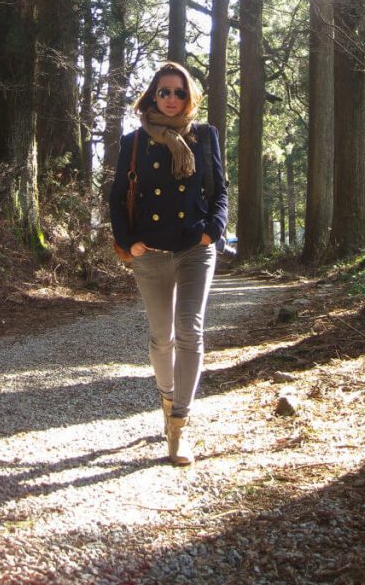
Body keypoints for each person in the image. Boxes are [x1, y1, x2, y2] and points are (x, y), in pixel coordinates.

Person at [109, 61, 228, 466]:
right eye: (164, 92)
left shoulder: (205, 135)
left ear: (189, 95)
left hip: (195, 248)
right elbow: (116, 195)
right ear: (152, 96)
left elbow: (219, 191)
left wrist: (213, 229)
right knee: (162, 338)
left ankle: (179, 426)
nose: (172, 99)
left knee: (189, 330)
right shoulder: (135, 141)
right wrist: (128, 241)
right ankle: (166, 399)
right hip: (152, 252)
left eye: (179, 92)